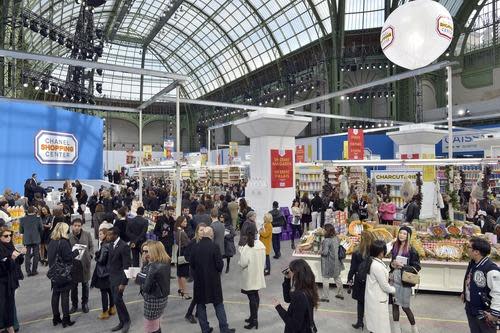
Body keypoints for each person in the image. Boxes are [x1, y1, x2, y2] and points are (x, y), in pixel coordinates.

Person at [189, 227, 236, 333]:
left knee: (200, 305)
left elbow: (191, 264)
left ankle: (205, 329)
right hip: (213, 281)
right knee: (218, 304)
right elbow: (219, 266)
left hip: (199, 281)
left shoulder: (195, 247)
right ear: (211, 235)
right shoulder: (215, 247)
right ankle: (224, 329)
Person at [462, 237, 500, 333]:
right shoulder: (473, 263)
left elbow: (498, 292)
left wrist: (494, 314)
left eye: (469, 247)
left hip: (485, 313)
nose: (467, 249)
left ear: (476, 252)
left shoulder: (491, 269)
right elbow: (470, 280)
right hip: (471, 309)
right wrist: (465, 292)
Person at [272, 259, 319, 333]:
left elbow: (294, 325)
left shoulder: (300, 295)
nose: (289, 272)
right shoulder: (308, 287)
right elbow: (288, 299)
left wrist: (279, 308)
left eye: (290, 270)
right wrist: (287, 280)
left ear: (296, 274)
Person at [390, 226, 421, 333]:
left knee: (405, 307)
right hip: (394, 279)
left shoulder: (412, 250)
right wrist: (393, 264)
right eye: (400, 233)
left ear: (408, 236)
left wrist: (403, 266)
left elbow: (417, 267)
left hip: (405, 281)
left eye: (404, 234)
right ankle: (396, 329)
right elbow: (392, 262)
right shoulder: (395, 246)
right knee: (395, 305)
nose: (401, 235)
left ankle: (414, 328)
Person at [47, 222, 79, 327]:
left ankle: (55, 318)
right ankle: (66, 319)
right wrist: (76, 252)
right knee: (65, 295)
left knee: (55, 295)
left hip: (53, 272)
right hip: (63, 273)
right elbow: (68, 258)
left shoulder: (51, 241)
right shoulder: (64, 242)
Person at [135, 241, 170, 333]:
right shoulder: (164, 261)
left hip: (152, 300)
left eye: (147, 251)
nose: (144, 254)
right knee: (156, 324)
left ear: (154, 251)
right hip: (162, 298)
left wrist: (144, 264)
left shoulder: (152, 266)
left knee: (150, 327)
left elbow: (145, 287)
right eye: (143, 251)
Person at [364, 240, 396, 333]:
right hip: (378, 299)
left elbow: (382, 273)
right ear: (381, 252)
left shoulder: (373, 261)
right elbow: (385, 286)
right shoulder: (377, 266)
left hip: (373, 297)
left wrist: (391, 267)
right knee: (380, 325)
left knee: (374, 323)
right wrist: (395, 290)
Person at [239, 229, 266, 329]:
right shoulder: (261, 245)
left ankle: (254, 320)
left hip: (250, 275)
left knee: (251, 298)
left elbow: (243, 263)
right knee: (255, 295)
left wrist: (241, 252)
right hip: (258, 274)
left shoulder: (247, 248)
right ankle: (253, 317)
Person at [0, 226, 25, 333]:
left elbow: (18, 263)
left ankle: (9, 327)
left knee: (9, 306)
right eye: (5, 236)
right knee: (4, 307)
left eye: (10, 235)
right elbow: (3, 268)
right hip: (3, 282)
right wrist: (12, 259)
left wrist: (20, 254)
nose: (9, 238)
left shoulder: (10, 246)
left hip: (11, 281)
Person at [106, 227, 131, 333]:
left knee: (118, 300)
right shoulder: (111, 244)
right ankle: (121, 322)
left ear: (115, 235)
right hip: (112, 277)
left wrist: (124, 283)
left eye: (109, 235)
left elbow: (127, 266)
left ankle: (126, 321)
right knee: (116, 301)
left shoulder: (124, 246)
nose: (107, 236)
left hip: (119, 279)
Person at [347, 231, 374, 330]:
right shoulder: (374, 251)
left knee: (360, 302)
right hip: (371, 279)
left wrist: (349, 278)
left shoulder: (356, 251)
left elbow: (353, 267)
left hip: (359, 279)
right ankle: (371, 324)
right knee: (370, 303)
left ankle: (359, 322)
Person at [69, 218, 94, 314]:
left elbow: (91, 246)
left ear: (81, 226)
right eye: (75, 225)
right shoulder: (68, 236)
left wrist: (90, 255)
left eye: (79, 225)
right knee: (73, 286)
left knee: (85, 285)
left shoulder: (87, 234)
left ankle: (85, 304)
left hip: (84, 264)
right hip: (73, 264)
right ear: (72, 226)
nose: (77, 227)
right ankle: (74, 305)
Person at [91, 222, 115, 320]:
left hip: (103, 273)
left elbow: (101, 260)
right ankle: (112, 308)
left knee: (104, 292)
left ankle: (105, 312)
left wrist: (96, 257)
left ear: (105, 235)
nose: (99, 235)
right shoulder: (110, 244)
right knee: (110, 291)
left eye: (100, 234)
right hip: (110, 272)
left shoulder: (104, 245)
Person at [184, 223, 207, 325]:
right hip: (195, 271)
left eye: (204, 230)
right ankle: (189, 314)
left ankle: (198, 312)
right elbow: (186, 255)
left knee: (202, 292)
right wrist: (193, 262)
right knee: (198, 293)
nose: (203, 232)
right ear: (197, 231)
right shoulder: (193, 242)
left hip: (204, 271)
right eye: (201, 230)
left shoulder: (206, 242)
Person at [319, 224, 345, 302]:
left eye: (324, 230)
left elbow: (325, 252)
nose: (323, 231)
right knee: (337, 278)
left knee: (325, 278)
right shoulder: (336, 238)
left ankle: (325, 297)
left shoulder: (326, 241)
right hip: (337, 263)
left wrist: (320, 251)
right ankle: (340, 293)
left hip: (328, 264)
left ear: (327, 231)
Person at [19, 206, 42, 276]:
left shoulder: (22, 219)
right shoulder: (38, 218)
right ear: (34, 211)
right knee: (36, 255)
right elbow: (41, 228)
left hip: (27, 239)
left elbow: (21, 230)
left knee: (27, 255)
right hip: (36, 238)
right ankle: (34, 270)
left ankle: (28, 271)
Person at [175, 215, 192, 300]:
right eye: (184, 221)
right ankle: (185, 292)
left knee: (179, 273)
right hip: (184, 253)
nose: (186, 223)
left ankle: (181, 289)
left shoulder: (178, 231)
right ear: (180, 222)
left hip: (179, 252)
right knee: (184, 274)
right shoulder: (181, 232)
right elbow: (187, 243)